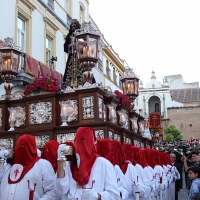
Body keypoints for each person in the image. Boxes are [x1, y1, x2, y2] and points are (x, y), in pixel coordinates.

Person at [55, 127, 121, 200]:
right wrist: (61, 161)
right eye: (77, 140)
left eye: (83, 140)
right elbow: (60, 190)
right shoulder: (70, 163)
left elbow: (115, 196)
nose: (81, 145)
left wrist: (98, 196)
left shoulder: (103, 164)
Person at [0, 134, 60, 200]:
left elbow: (53, 191)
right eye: (18, 145)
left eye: (23, 145)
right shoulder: (9, 165)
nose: (20, 148)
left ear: (32, 147)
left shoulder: (43, 164)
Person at [63, 19, 84, 87]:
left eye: (74, 23)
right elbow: (65, 47)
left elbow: (84, 45)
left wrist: (78, 46)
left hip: (79, 57)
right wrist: (69, 46)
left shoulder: (81, 35)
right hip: (71, 56)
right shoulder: (69, 36)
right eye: (72, 24)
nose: (73, 25)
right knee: (69, 73)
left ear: (77, 24)